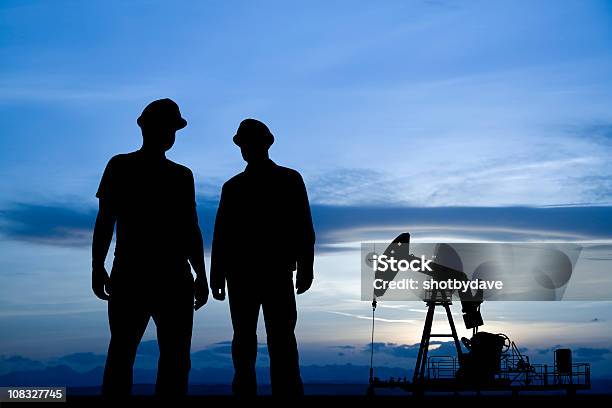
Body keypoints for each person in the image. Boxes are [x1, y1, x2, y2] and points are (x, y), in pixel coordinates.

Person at [92, 98, 209, 398]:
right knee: (125, 354)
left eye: (173, 129)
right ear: (147, 129)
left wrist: (201, 274)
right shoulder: (121, 166)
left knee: (173, 359)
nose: (170, 135)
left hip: (166, 277)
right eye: (167, 128)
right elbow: (105, 221)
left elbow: (190, 229)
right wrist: (96, 266)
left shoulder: (182, 175)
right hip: (136, 275)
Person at [210, 118, 315, 396]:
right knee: (245, 340)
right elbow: (222, 233)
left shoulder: (289, 179)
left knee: (279, 339)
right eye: (244, 144)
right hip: (244, 273)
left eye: (250, 143)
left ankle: (286, 393)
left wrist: (306, 266)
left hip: (275, 271)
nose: (247, 149)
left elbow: (304, 226)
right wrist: (217, 273)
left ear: (265, 144)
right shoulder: (233, 187)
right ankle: (249, 393)